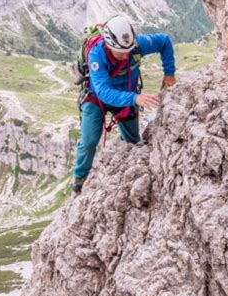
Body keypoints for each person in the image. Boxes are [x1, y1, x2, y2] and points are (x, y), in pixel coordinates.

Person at [72, 14, 176, 193]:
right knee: (89, 141)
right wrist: (135, 98)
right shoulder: (96, 55)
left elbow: (164, 41)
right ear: (108, 45)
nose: (126, 55)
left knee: (133, 141)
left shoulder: (136, 46)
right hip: (96, 97)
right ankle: (80, 177)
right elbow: (104, 93)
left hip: (127, 94)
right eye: (121, 52)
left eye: (129, 50)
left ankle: (127, 164)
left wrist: (169, 73)